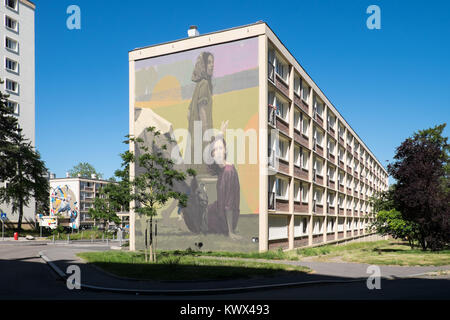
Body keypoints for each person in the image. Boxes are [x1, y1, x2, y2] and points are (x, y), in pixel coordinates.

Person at [205, 132, 242, 240]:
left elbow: (229, 204)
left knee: (189, 217)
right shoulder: (222, 168)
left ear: (225, 150)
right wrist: (219, 136)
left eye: (221, 148)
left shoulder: (228, 171)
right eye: (214, 150)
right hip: (216, 213)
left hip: (219, 221)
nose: (218, 152)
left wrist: (230, 231)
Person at [187, 52, 214, 168]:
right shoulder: (204, 84)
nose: (212, 65)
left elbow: (188, 114)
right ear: (203, 65)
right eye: (209, 62)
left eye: (213, 63)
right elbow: (202, 111)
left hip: (194, 137)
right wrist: (207, 135)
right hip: (202, 137)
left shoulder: (198, 86)